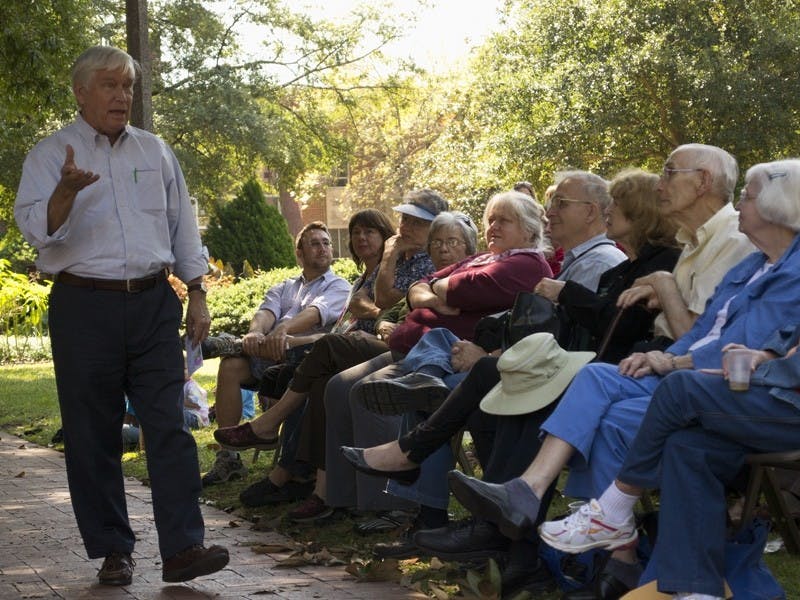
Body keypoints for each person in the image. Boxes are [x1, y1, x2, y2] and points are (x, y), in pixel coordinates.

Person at [446, 159, 800, 599]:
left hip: (755, 392)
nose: (740, 202)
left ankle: (611, 522)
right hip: (708, 378)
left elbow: (744, 349)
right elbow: (711, 336)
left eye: (748, 196)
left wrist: (672, 358)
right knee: (610, 390)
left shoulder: (780, 266)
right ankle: (672, 579)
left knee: (633, 403)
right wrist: (662, 356)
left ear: (779, 208)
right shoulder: (749, 267)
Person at [14, 46, 228, 586]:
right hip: (83, 304)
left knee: (170, 426)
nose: (121, 95)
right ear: (81, 92)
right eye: (109, 85)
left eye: (127, 86)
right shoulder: (49, 154)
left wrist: (197, 290)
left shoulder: (155, 151)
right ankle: (113, 548)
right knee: (93, 433)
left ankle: (183, 547)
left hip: (154, 302)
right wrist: (64, 191)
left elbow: (182, 226)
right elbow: (38, 232)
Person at [214, 199, 448, 513]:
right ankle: (320, 490)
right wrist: (384, 289)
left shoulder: (429, 261)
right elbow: (370, 301)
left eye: (415, 223)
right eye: (404, 220)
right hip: (358, 343)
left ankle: (278, 445)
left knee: (321, 352)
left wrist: (380, 311)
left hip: (400, 347)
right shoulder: (393, 262)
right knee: (320, 381)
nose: (405, 227)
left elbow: (386, 303)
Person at [538, 320, 800, 599]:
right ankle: (696, 590)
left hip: (787, 403)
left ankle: (613, 510)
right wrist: (761, 356)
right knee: (688, 445)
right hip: (779, 394)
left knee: (680, 389)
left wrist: (760, 372)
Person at [201, 221, 351, 486]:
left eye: (326, 243)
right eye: (314, 243)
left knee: (283, 349)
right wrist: (255, 333)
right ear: (300, 254)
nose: (323, 248)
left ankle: (231, 343)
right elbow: (265, 312)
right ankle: (229, 457)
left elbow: (314, 313)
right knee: (231, 365)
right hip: (270, 354)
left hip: (304, 355)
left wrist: (282, 331)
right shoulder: (285, 287)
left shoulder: (338, 286)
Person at [617, 144, 754, 347]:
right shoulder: (692, 238)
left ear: (702, 181)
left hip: (681, 366)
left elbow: (695, 339)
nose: (658, 186)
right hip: (659, 355)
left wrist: (663, 282)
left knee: (593, 374)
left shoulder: (735, 239)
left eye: (669, 173)